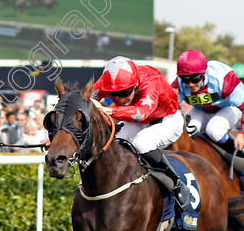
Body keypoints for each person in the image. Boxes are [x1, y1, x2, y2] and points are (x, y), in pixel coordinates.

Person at [93, 56, 189, 209]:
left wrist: (108, 110)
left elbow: (142, 112)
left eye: (125, 92)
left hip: (167, 119)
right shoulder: (106, 81)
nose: (121, 98)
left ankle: (176, 183)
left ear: (136, 83)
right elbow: (85, 100)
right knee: (113, 144)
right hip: (138, 121)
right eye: (114, 94)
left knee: (141, 143)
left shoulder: (151, 79)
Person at [172, 50, 244, 152]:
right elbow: (169, 104)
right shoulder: (179, 83)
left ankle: (241, 155)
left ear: (204, 73)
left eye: (195, 79)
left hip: (229, 108)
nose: (190, 84)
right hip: (200, 110)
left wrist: (242, 133)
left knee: (214, 130)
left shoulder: (223, 78)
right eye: (185, 80)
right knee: (188, 132)